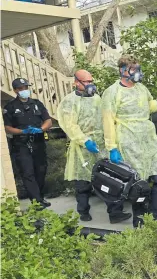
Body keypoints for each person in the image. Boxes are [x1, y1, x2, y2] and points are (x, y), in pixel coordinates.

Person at [101, 55, 157, 228]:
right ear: (122, 70)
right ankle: (140, 222)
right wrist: (112, 147)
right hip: (128, 141)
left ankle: (156, 218)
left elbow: (148, 106)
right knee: (139, 185)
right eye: (134, 69)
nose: (138, 72)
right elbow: (107, 120)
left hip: (149, 139)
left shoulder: (141, 88)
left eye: (138, 68)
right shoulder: (112, 92)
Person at [57, 69, 131, 224]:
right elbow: (70, 125)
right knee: (83, 182)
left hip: (101, 145)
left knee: (109, 178)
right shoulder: (70, 102)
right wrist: (84, 140)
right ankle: (83, 211)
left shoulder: (97, 98)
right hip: (82, 148)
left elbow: (106, 119)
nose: (90, 84)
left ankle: (115, 213)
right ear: (76, 82)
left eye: (91, 81)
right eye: (87, 82)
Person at [3, 78, 52, 208]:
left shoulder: (36, 103)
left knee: (41, 170)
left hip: (38, 142)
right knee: (28, 172)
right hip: (21, 144)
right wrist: (22, 131)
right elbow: (7, 127)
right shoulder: (10, 107)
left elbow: (48, 120)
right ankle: (36, 202)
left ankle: (40, 196)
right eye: (21, 89)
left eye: (25, 87)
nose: (24, 90)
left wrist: (41, 129)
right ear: (15, 90)